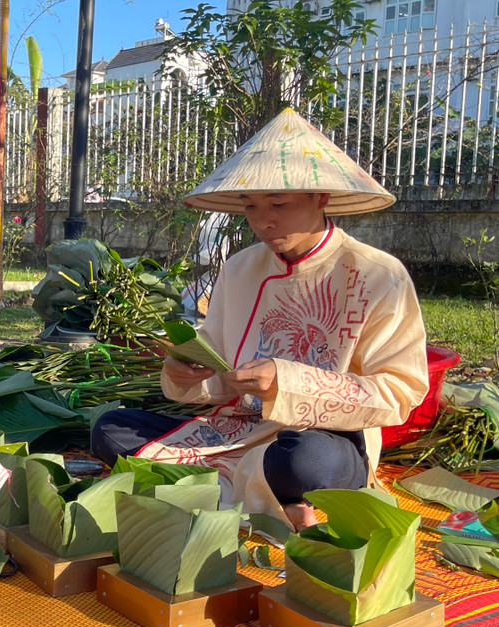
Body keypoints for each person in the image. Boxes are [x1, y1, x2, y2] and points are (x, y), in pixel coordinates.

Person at [91, 108, 429, 533]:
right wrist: (186, 373)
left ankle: (227, 491)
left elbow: (401, 391)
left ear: (321, 198)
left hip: (324, 435)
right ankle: (277, 501)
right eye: (250, 206)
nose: (262, 221)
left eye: (278, 204)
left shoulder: (376, 274)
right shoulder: (240, 268)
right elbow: (218, 367)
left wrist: (286, 381)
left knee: (305, 462)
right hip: (237, 429)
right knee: (110, 429)